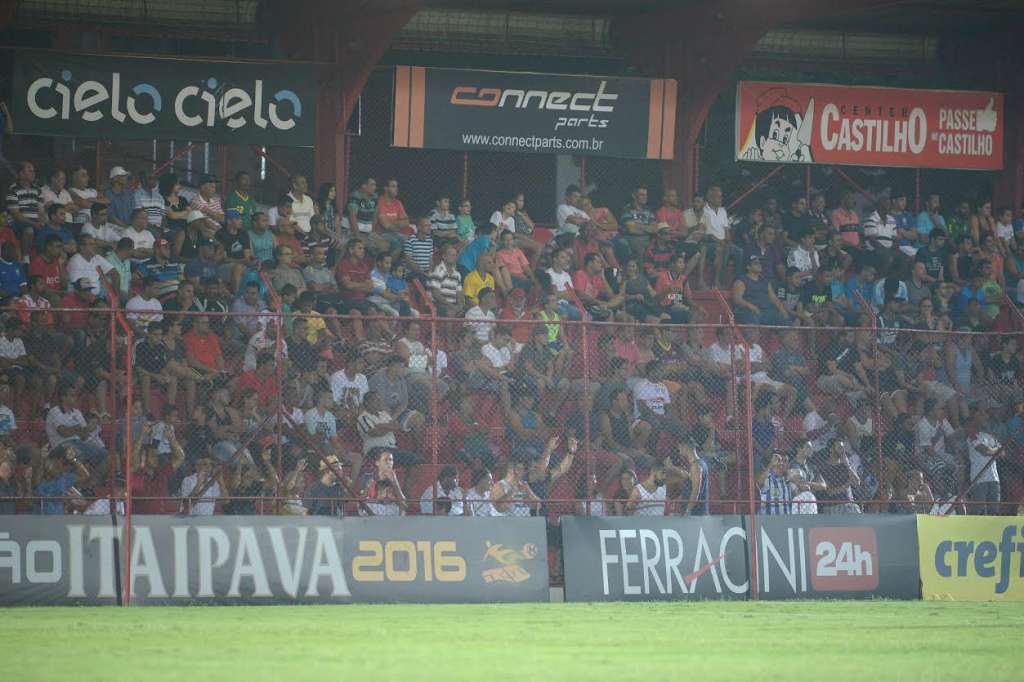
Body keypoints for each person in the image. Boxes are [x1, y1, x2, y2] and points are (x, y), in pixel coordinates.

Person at [965, 411, 1003, 515]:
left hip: (994, 478)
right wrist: (995, 451)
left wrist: (992, 450)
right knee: (978, 510)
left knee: (994, 510)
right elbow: (984, 451)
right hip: (979, 478)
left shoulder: (989, 436)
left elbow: (1003, 452)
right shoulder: (971, 437)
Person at [732, 256, 789, 325]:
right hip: (747, 312)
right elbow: (737, 299)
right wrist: (752, 307)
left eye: (759, 263)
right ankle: (753, 336)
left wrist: (782, 310)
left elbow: (774, 299)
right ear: (748, 267)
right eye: (755, 263)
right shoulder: (741, 281)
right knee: (754, 317)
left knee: (784, 319)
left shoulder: (765, 281)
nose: (759, 265)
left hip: (765, 311)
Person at [375, 178, 409, 255]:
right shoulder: (380, 201)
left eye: (396, 186)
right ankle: (390, 265)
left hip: (395, 232)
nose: (396, 189)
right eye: (393, 186)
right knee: (396, 243)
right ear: (386, 188)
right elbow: (386, 226)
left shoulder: (397, 203)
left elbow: (406, 221)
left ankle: (401, 265)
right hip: (381, 233)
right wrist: (398, 223)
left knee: (409, 242)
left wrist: (393, 223)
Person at [758, 450, 793, 515]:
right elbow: (759, 483)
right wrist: (771, 464)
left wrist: (794, 479)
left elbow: (805, 488)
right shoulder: (768, 478)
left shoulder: (789, 479)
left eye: (786, 462)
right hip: (770, 519)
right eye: (780, 461)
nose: (782, 463)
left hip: (788, 518)